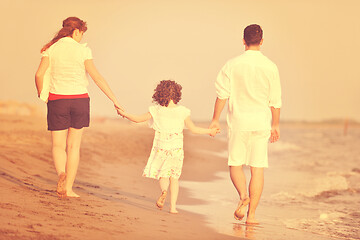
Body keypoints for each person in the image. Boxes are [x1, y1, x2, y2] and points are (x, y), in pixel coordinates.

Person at [35, 17, 122, 198]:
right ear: (76, 32)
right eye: (81, 34)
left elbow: (39, 74)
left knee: (58, 146)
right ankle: (68, 188)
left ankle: (61, 174)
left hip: (57, 100)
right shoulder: (83, 50)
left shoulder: (51, 49)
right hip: (80, 100)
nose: (81, 38)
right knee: (73, 146)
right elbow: (97, 78)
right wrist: (114, 99)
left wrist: (41, 93)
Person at [209, 24, 282, 224]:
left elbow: (222, 95)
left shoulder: (232, 65)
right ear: (262, 41)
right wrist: (275, 125)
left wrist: (215, 119)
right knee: (257, 168)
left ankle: (243, 195)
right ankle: (252, 216)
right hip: (261, 123)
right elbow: (275, 101)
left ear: (243, 41)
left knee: (235, 164)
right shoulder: (270, 66)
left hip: (239, 122)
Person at [117, 80, 219, 213]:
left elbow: (137, 119)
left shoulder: (156, 110)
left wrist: (124, 114)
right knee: (174, 178)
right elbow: (193, 129)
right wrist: (209, 131)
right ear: (177, 94)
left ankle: (164, 191)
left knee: (163, 175)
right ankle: (173, 208)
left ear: (159, 94)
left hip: (161, 147)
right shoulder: (183, 111)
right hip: (176, 149)